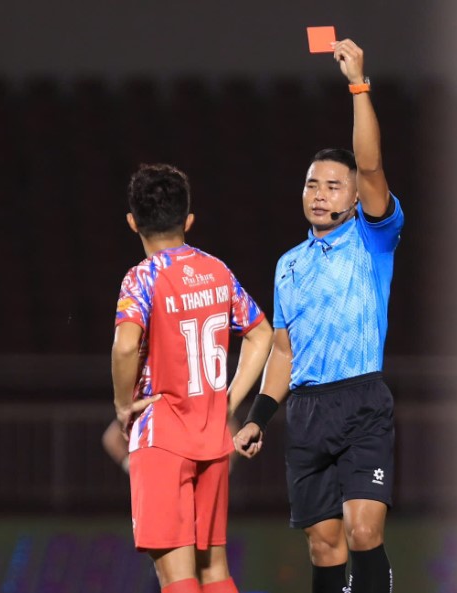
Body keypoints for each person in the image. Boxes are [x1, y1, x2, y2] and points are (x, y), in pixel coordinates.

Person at [233, 39, 403, 593]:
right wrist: (259, 415)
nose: (320, 195)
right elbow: (282, 350)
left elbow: (371, 164)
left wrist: (358, 85)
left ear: (355, 198)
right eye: (312, 184)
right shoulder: (288, 266)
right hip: (305, 412)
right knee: (323, 543)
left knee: (361, 530)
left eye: (334, 186)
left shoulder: (373, 238)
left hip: (362, 401)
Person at [112, 163, 273, 593]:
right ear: (188, 221)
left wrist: (122, 404)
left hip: (162, 436)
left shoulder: (141, 278)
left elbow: (126, 346)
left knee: (176, 576)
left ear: (133, 222)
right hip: (211, 438)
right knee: (214, 569)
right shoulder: (218, 272)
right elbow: (262, 334)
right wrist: (228, 400)